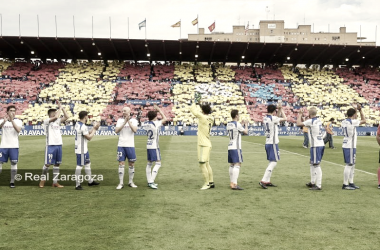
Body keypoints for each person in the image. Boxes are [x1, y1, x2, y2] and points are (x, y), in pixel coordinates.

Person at [39, 101, 69, 188]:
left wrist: (62, 108)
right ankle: (42, 180)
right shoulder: (47, 121)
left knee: (57, 164)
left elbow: (67, 117)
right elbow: (56, 116)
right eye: (54, 112)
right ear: (50, 114)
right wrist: (59, 108)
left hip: (58, 144)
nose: (56, 113)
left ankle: (55, 182)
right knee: (47, 164)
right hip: (50, 145)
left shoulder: (58, 121)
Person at [259, 103, 287, 189]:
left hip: (268, 142)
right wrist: (281, 109)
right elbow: (285, 118)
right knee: (274, 162)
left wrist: (277, 110)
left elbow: (276, 118)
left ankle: (267, 181)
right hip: (273, 143)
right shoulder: (273, 118)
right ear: (274, 111)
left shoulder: (266, 118)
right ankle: (263, 180)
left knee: (271, 161)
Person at [297, 107, 325, 191]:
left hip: (316, 145)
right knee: (312, 163)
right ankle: (312, 182)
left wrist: (300, 114)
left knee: (316, 164)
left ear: (310, 114)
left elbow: (298, 123)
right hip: (319, 144)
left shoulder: (311, 121)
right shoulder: (319, 120)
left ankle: (318, 185)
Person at [190, 96, 215, 190]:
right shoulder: (211, 118)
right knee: (207, 163)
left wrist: (195, 102)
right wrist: (201, 105)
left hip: (203, 144)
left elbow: (193, 110)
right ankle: (211, 182)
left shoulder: (202, 117)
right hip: (208, 142)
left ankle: (207, 183)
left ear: (202, 110)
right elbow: (204, 112)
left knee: (202, 163)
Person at [74, 111, 100, 190]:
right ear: (85, 117)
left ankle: (90, 181)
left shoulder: (78, 124)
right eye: (87, 116)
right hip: (81, 149)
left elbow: (86, 133)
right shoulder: (83, 126)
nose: (88, 117)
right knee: (79, 166)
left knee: (88, 163)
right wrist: (95, 129)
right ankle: (77, 184)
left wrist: (93, 128)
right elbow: (89, 137)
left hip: (83, 148)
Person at [341, 105, 366, 190]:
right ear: (354, 114)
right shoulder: (352, 122)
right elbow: (364, 120)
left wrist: (355, 110)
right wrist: (360, 110)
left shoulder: (344, 121)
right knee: (349, 164)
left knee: (352, 164)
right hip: (350, 145)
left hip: (346, 143)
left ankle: (351, 182)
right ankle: (345, 184)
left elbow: (353, 118)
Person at [143, 104, 167, 189]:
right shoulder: (156, 123)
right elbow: (165, 119)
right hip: (154, 146)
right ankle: (151, 181)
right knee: (158, 163)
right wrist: (159, 110)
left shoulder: (145, 124)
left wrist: (154, 113)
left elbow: (152, 119)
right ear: (155, 117)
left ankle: (150, 180)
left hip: (148, 144)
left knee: (149, 163)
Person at [115, 106, 138, 190]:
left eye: (125, 111)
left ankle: (131, 182)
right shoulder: (120, 120)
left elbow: (134, 130)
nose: (123, 112)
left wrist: (128, 121)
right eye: (123, 111)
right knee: (121, 163)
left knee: (131, 163)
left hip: (130, 145)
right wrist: (124, 122)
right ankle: (121, 183)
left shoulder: (134, 120)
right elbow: (116, 131)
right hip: (121, 145)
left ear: (129, 112)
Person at [0, 105, 22, 188]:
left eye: (14, 111)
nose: (13, 112)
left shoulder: (18, 121)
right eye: (11, 110)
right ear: (7, 112)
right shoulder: (2, 120)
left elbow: (18, 130)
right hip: (3, 146)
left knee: (14, 163)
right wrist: (3, 122)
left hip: (14, 146)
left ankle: (12, 182)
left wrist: (12, 120)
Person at [226, 110, 248, 190]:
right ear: (236, 115)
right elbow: (245, 132)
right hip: (236, 147)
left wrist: (241, 124)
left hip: (230, 146)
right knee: (238, 164)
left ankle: (232, 182)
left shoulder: (228, 124)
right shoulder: (237, 124)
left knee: (232, 164)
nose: (239, 116)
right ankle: (234, 183)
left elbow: (235, 130)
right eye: (238, 115)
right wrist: (246, 125)